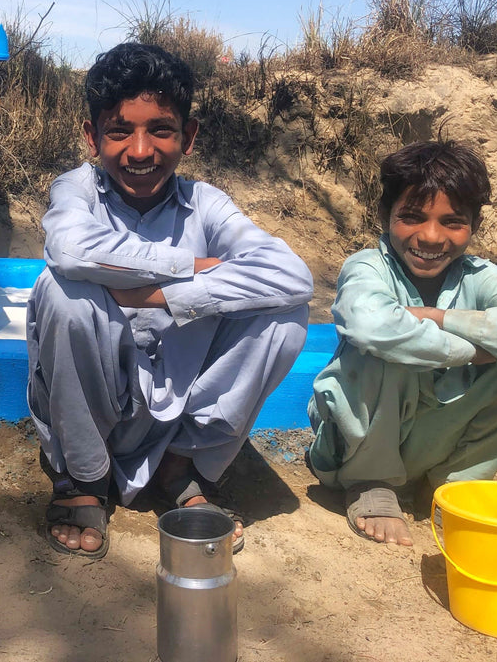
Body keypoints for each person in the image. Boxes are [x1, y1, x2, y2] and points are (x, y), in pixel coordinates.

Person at [26, 42, 312, 558]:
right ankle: (83, 479)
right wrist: (186, 265)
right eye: (119, 131)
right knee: (63, 291)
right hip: (94, 405)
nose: (140, 151)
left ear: (188, 137)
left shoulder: (207, 205)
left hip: (175, 411)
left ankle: (181, 467)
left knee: (283, 316)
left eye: (160, 129)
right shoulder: (77, 190)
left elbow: (292, 276)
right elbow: (69, 249)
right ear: (93, 137)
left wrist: (159, 293)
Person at [307, 140, 497, 546]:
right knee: (383, 351)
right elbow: (371, 328)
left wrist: (444, 318)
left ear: (474, 225)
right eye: (412, 217)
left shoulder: (482, 277)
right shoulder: (369, 266)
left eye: (452, 222)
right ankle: (371, 482)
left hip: (435, 438)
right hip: (360, 441)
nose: (431, 236)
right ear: (385, 215)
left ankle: (452, 485)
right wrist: (475, 352)